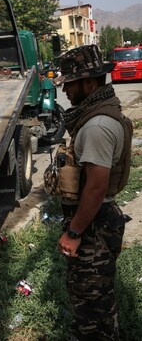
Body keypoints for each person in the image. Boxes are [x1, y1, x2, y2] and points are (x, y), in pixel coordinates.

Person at [50, 44, 132, 339]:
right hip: (96, 220)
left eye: (70, 84)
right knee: (95, 297)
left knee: (91, 301)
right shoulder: (97, 115)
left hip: (93, 223)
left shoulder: (97, 125)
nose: (66, 91)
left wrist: (73, 233)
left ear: (90, 82)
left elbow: (95, 188)